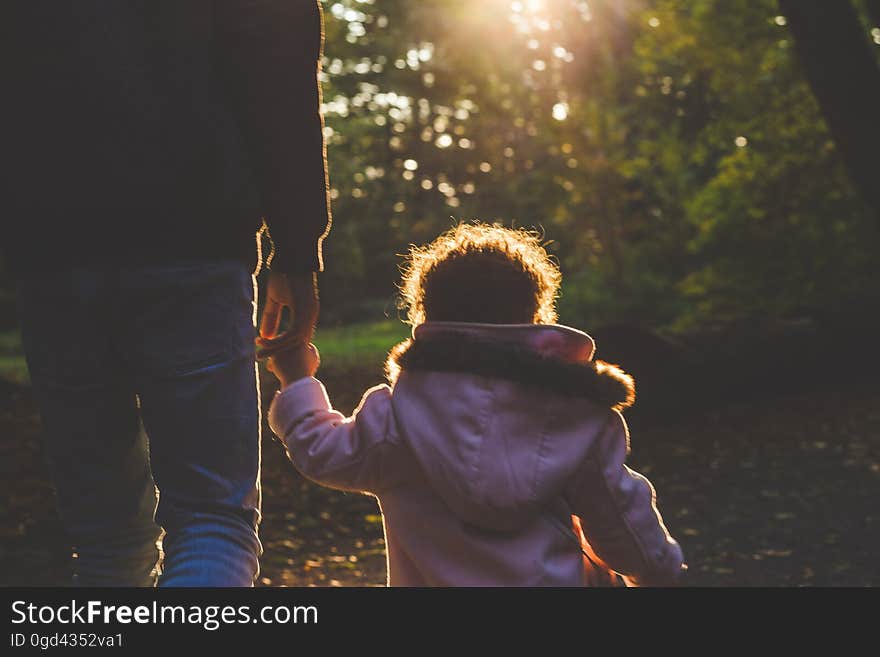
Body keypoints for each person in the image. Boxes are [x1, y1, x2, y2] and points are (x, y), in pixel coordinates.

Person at [2, 1, 331, 586]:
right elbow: (277, 75)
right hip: (192, 239)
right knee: (213, 522)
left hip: (51, 255)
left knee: (105, 542)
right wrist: (297, 248)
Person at [264, 224, 685, 586]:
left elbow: (323, 451)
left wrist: (298, 379)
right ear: (535, 315)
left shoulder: (396, 418)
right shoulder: (576, 416)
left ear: (426, 316)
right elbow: (620, 520)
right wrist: (655, 574)